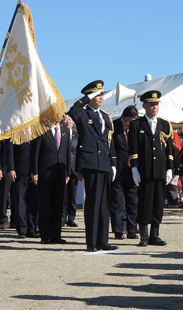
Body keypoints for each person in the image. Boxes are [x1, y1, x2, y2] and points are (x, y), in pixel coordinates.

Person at [68, 80, 118, 252]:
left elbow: (109, 142)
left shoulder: (105, 116)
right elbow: (72, 111)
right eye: (97, 95)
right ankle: (91, 241)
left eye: (102, 94)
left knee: (104, 203)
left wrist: (113, 162)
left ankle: (102, 240)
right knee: (93, 203)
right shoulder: (83, 114)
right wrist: (85, 98)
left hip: (104, 162)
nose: (101, 97)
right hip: (90, 162)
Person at [128, 90, 174, 247]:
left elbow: (169, 149)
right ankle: (144, 235)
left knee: (158, 203)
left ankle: (155, 234)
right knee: (145, 203)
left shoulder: (165, 125)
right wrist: (134, 168)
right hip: (145, 170)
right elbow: (133, 148)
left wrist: (170, 168)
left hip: (160, 170)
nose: (154, 107)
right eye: (151, 104)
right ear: (144, 105)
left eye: (156, 104)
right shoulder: (136, 124)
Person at [30, 122, 70, 244]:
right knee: (45, 204)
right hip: (44, 172)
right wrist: (34, 171)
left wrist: (68, 172)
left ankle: (56, 235)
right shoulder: (41, 129)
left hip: (60, 173)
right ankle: (45, 235)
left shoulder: (66, 131)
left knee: (58, 205)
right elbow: (34, 152)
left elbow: (68, 152)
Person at [110, 105, 139, 240]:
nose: (129, 124)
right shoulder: (113, 126)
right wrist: (112, 165)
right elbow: (110, 147)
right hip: (118, 169)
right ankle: (118, 230)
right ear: (123, 118)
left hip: (132, 171)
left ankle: (132, 229)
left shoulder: (137, 128)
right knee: (117, 202)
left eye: (132, 121)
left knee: (132, 202)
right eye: (127, 121)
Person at [6, 140, 38, 239]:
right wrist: (11, 168)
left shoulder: (36, 131)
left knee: (33, 202)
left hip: (34, 173)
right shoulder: (15, 132)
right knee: (20, 202)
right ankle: (22, 230)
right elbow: (9, 151)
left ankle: (32, 229)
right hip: (19, 172)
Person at [61, 114, 79, 228]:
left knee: (72, 195)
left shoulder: (77, 135)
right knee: (63, 194)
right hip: (62, 168)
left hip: (74, 169)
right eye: (66, 119)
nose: (69, 121)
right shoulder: (60, 135)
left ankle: (71, 217)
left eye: (71, 119)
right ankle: (62, 217)